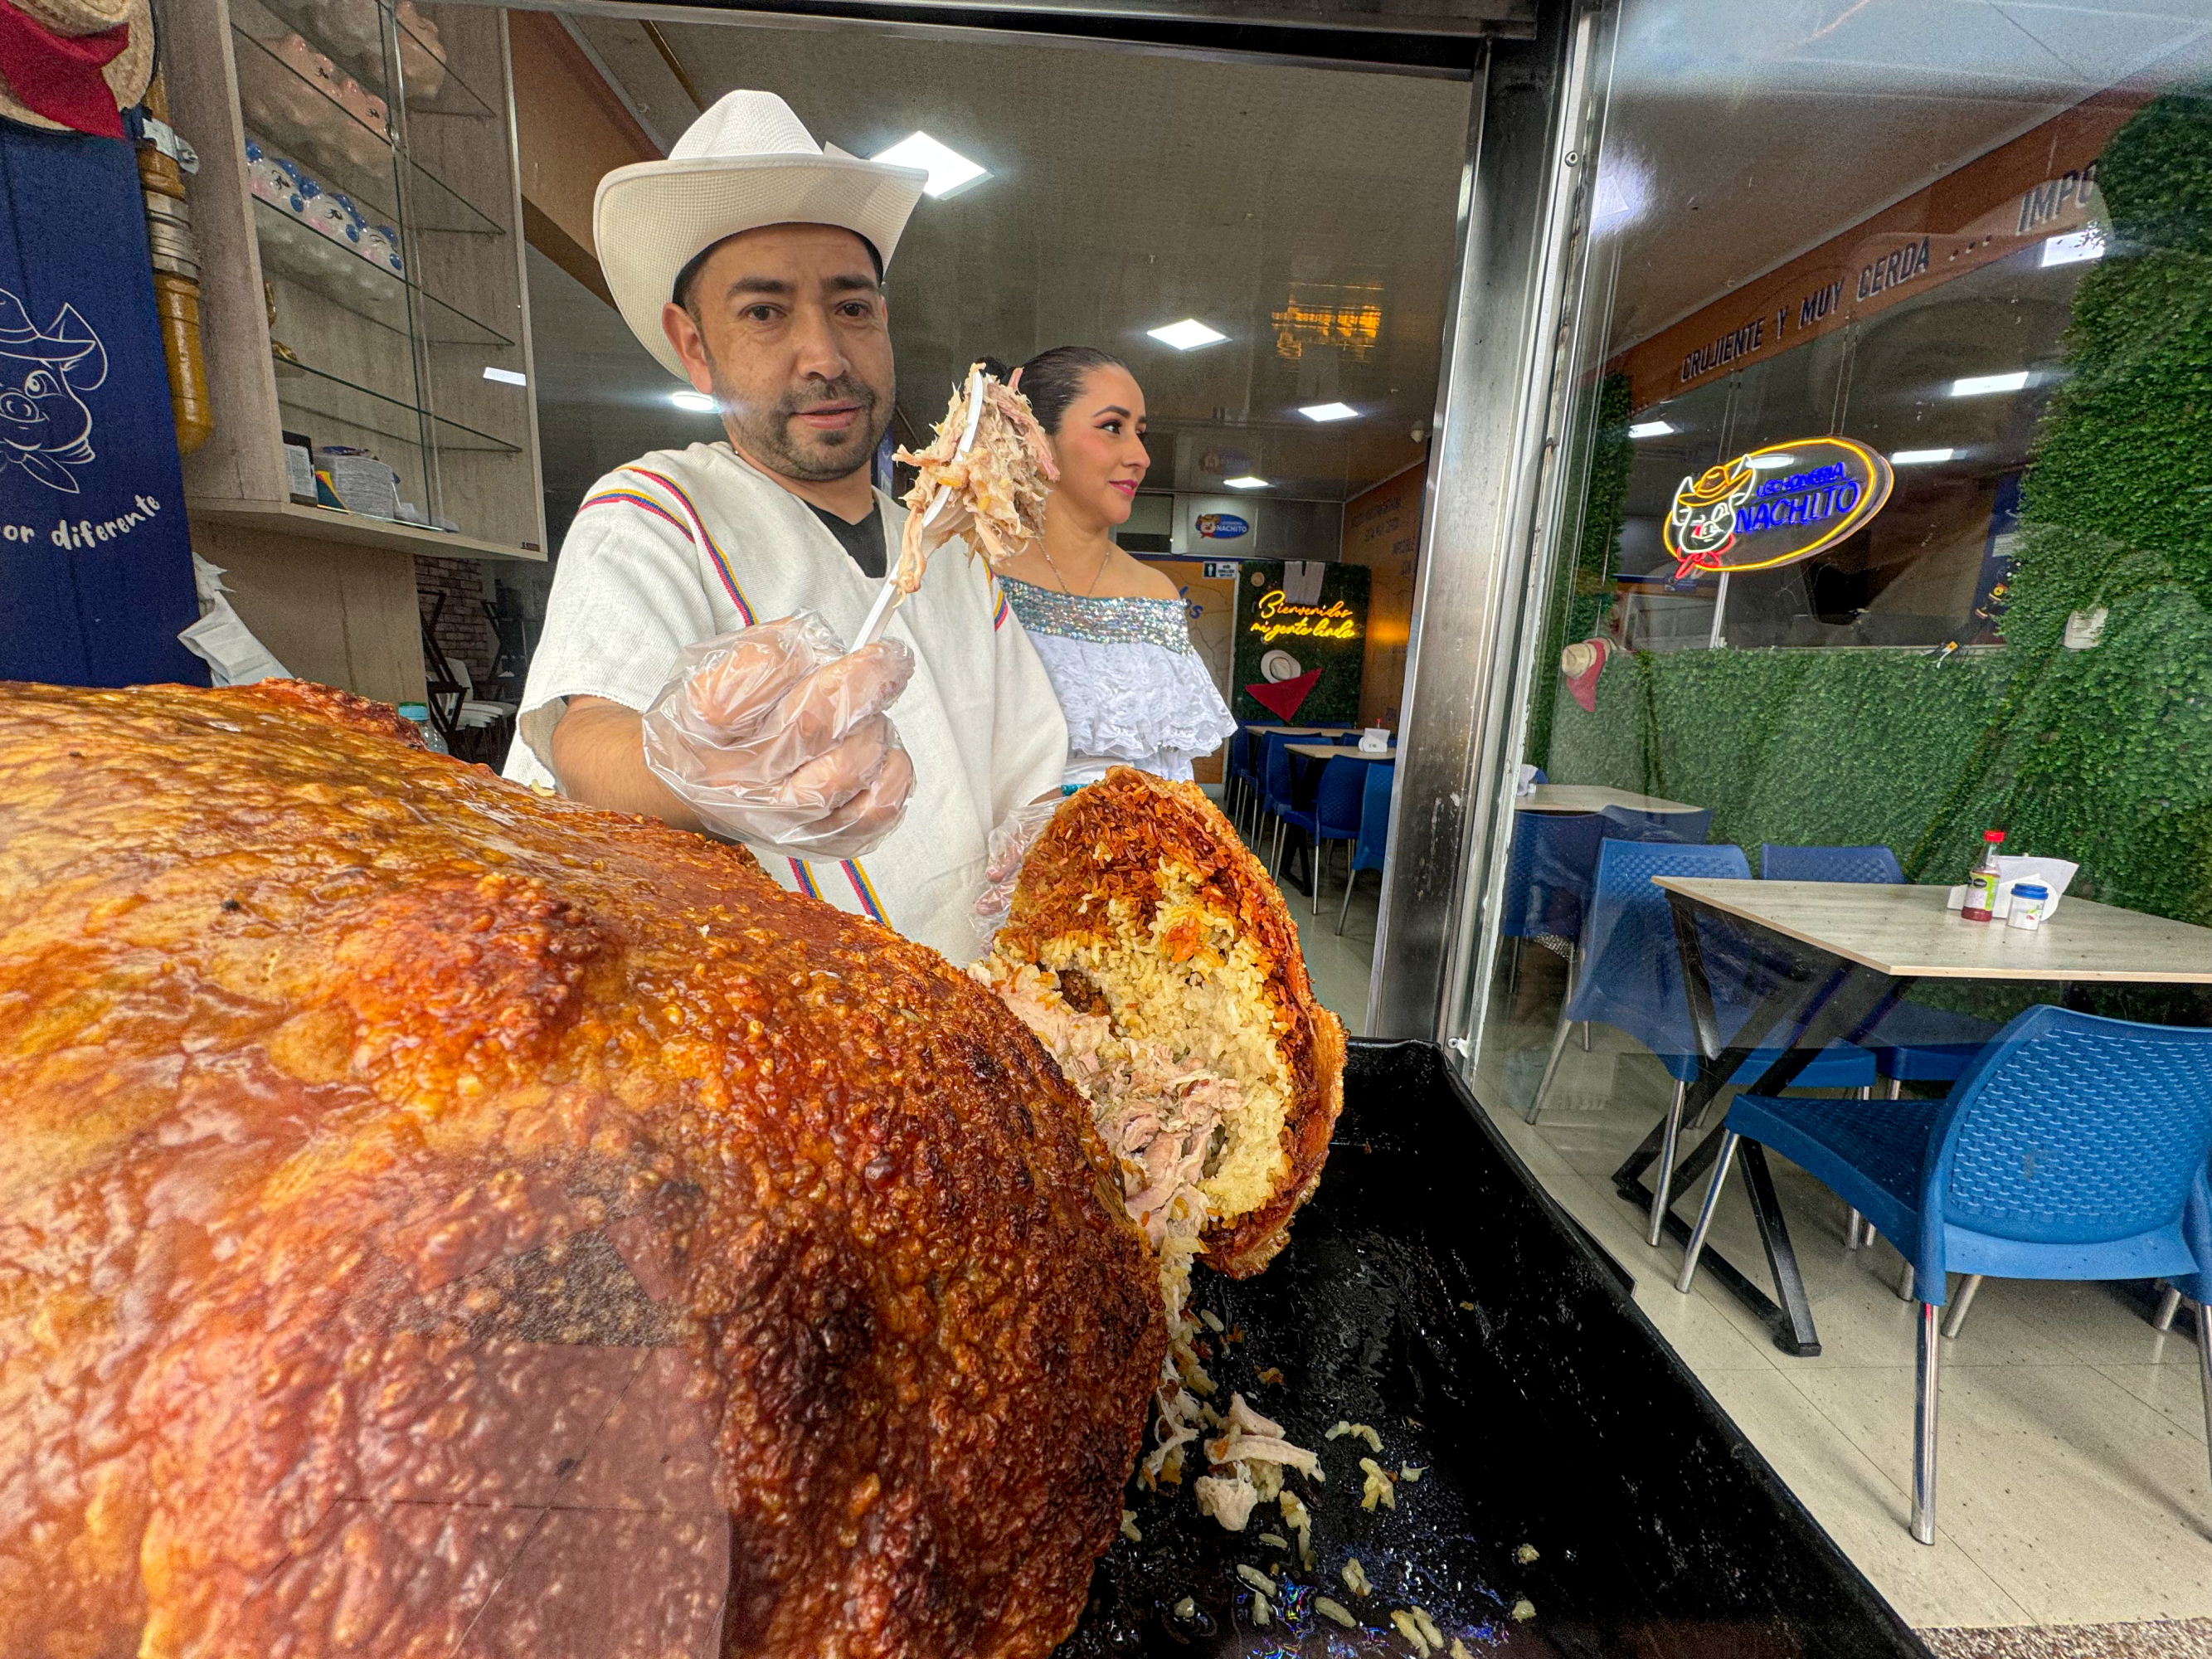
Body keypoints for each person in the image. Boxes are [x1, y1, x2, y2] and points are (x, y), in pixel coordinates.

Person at [503, 90, 1067, 965]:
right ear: (695, 346)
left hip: (974, 1001)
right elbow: (584, 732)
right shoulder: (655, 508)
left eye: (852, 308)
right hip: (778, 1010)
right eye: (764, 312)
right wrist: (698, 772)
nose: (825, 356)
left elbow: (1027, 770)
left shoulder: (950, 547)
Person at [990, 347, 1236, 790]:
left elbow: (1169, 780)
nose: (1141, 456)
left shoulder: (1156, 595)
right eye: (1112, 427)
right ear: (1036, 437)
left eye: (1140, 433)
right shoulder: (973, 576)